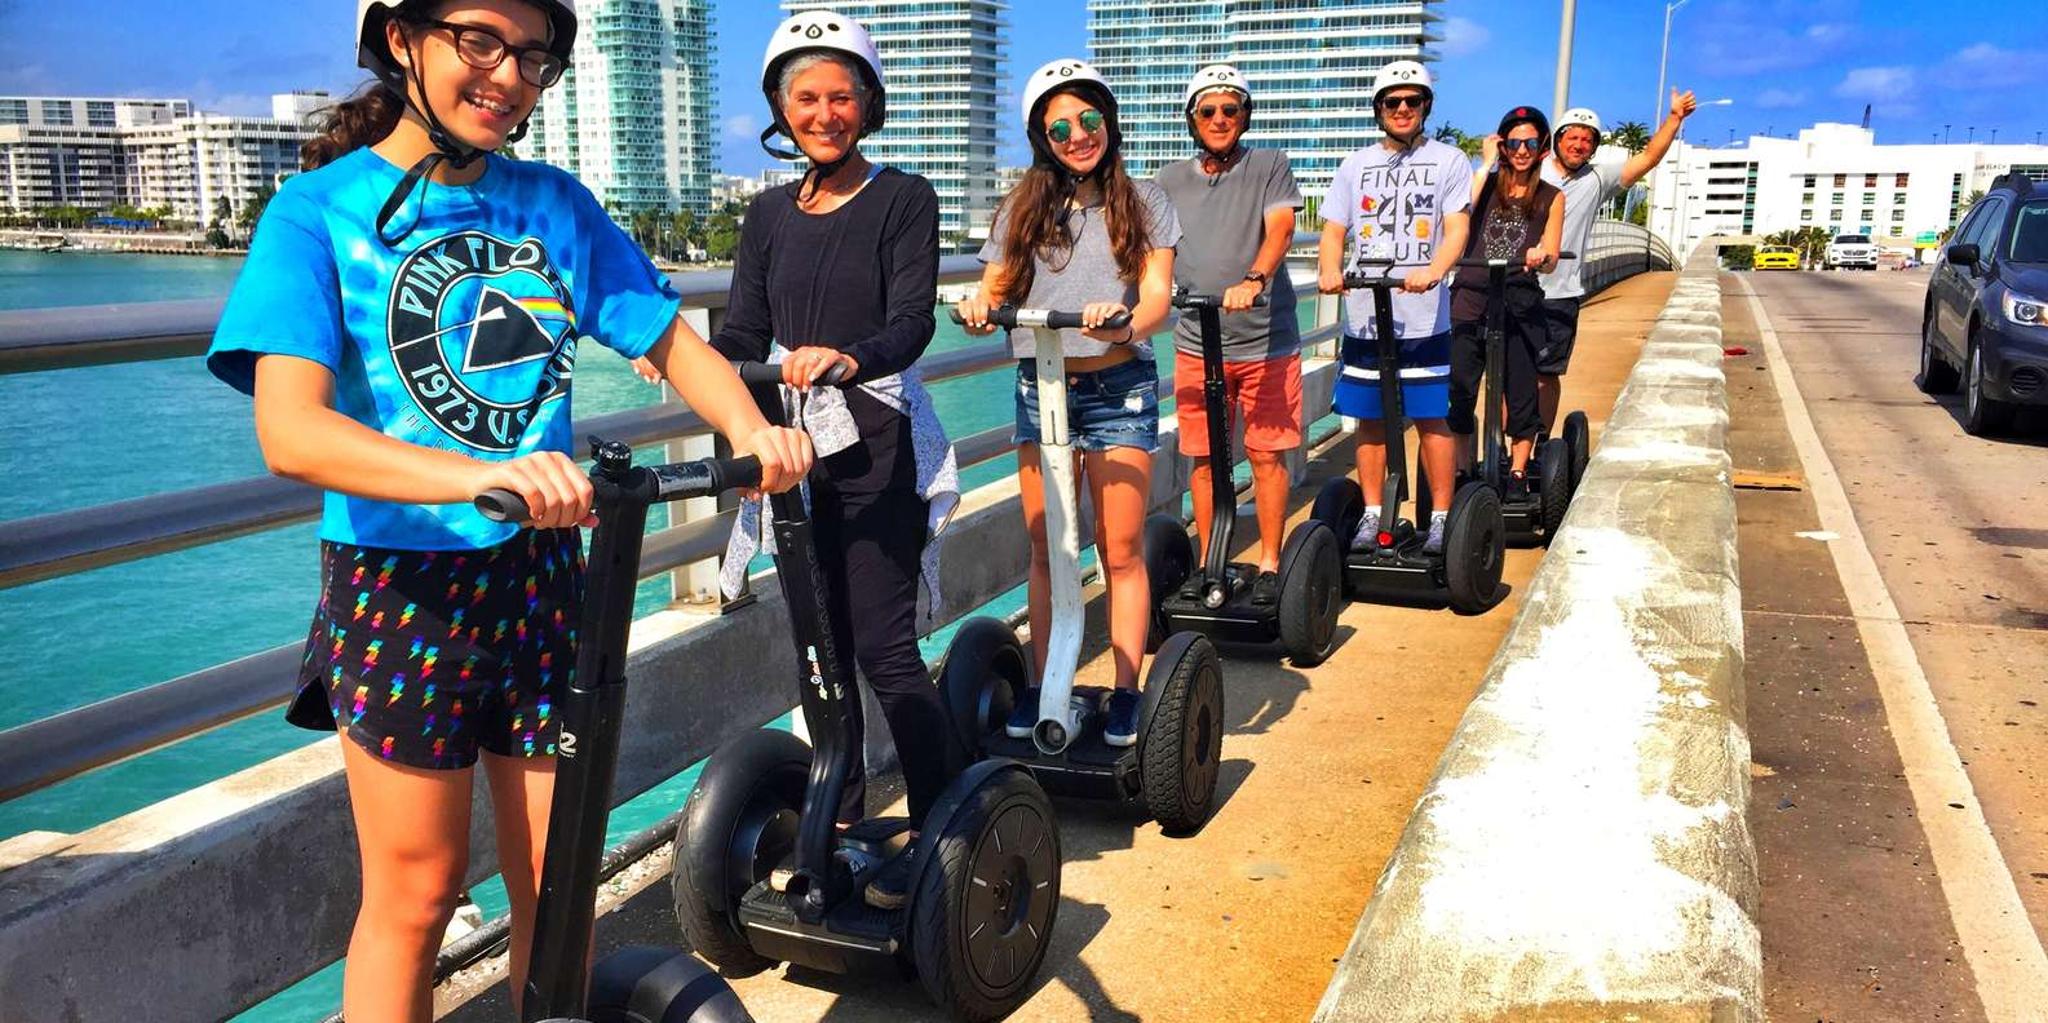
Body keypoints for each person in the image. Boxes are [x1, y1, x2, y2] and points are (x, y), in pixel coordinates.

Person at [203, 3, 811, 1020]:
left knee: (559, 879)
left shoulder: (553, 206)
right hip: (399, 587)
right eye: (478, 40)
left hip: (540, 578)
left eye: (531, 54)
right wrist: (489, 478)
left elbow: (667, 341)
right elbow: (293, 432)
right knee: (418, 893)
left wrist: (754, 433)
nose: (509, 74)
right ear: (401, 40)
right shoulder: (316, 211)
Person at [708, 9, 953, 912]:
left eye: (841, 96)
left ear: (868, 104)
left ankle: (946, 818)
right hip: (792, 456)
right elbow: (740, 331)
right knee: (818, 650)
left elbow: (913, 319)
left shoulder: (903, 198)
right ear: (780, 105)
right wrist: (689, 359)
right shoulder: (767, 214)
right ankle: (842, 820)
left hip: (875, 444)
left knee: (884, 647)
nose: (824, 112)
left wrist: (849, 358)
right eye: (806, 97)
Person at [957, 58, 1179, 748]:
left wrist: (1127, 322)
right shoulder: (1024, 206)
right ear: (1042, 137)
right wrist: (976, 305)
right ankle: (1046, 681)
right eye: (1061, 127)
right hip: (1042, 387)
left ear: (1108, 123)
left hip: (1118, 389)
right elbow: (994, 286)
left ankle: (1124, 691)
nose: (1077, 135)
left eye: (1088, 120)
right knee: (1047, 547)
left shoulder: (1144, 201)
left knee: (1118, 548)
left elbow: (1159, 294)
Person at [1154, 64, 1305, 605]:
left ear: (1244, 116)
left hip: (1265, 338)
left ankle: (1268, 562)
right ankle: (1209, 560)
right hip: (1198, 338)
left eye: (1230, 109)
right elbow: (1152, 247)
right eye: (1208, 110)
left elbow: (1282, 226)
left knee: (1264, 455)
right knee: (1203, 456)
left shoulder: (1269, 165)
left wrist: (1255, 278)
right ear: (1192, 119)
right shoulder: (1169, 180)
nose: (1219, 119)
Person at [1316, 59, 1470, 552]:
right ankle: (1372, 513)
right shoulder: (1354, 165)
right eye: (1392, 102)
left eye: (1412, 101)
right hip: (1365, 315)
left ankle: (1442, 515)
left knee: (1430, 417)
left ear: (1425, 107)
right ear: (1379, 109)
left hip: (1423, 317)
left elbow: (1458, 228)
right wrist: (1328, 269)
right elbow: (1334, 230)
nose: (1402, 109)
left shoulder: (1449, 161)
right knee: (1371, 419)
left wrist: (1435, 269)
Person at [1536, 89, 1698, 435]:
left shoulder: (1598, 178)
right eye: (1572, 137)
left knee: (1546, 375)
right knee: (1511, 375)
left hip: (1561, 292)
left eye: (1586, 140)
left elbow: (1648, 158)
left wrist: (1674, 119)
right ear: (1557, 140)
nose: (1578, 144)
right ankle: (1506, 450)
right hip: (1518, 288)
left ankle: (1537, 444)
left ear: (1593, 148)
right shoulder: (1531, 172)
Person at [1447, 105, 1563, 479]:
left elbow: (1553, 256)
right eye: (1513, 142)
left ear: (1543, 147)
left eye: (1530, 142)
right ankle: (1463, 469)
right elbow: (1459, 208)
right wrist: (1484, 164)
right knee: (1460, 389)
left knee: (1520, 390)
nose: (1522, 150)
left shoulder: (1551, 195)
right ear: (1502, 145)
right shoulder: (1486, 184)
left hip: (1518, 299)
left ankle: (1516, 471)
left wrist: (1540, 255)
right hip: (1471, 295)